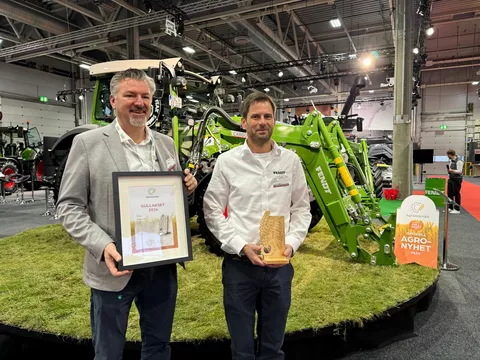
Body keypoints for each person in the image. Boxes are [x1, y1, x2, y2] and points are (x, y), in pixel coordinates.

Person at [56, 68, 197, 360]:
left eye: (145, 96)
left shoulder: (165, 144)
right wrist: (103, 245)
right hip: (115, 267)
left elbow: (169, 198)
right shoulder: (88, 144)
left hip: (161, 266)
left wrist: (187, 188)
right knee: (108, 353)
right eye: (130, 95)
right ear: (113, 100)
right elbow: (68, 206)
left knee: (158, 347)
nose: (139, 102)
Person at [202, 92, 312, 360]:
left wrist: (292, 244)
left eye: (267, 116)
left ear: (274, 120)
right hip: (240, 268)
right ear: (243, 122)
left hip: (279, 269)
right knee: (241, 350)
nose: (262, 122)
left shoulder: (290, 161)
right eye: (255, 116)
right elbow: (212, 209)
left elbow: (301, 208)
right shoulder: (228, 162)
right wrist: (240, 246)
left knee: (273, 349)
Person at [446, 149, 463, 214]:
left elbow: (460, 171)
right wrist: (449, 173)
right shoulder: (451, 161)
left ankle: (457, 209)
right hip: (451, 178)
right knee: (449, 193)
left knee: (456, 193)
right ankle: (450, 207)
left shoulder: (459, 161)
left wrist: (451, 171)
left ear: (450, 154)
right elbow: (450, 169)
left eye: (448, 155)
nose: (448, 156)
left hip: (457, 179)